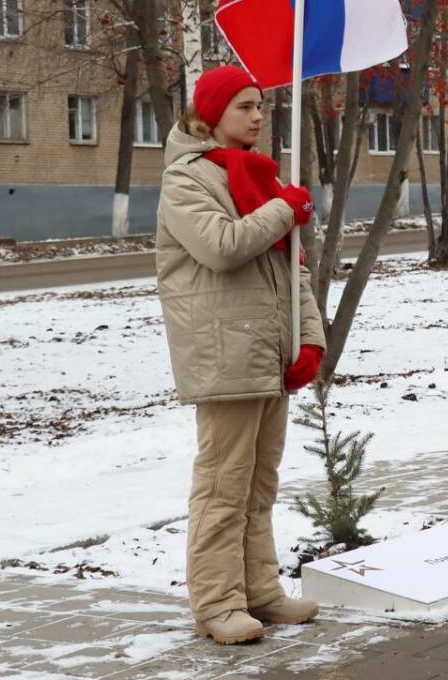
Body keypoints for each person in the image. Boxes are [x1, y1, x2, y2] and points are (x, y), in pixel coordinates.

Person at [155, 65, 326, 644]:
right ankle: (217, 603)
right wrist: (285, 210)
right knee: (222, 486)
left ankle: (260, 591)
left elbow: (292, 271)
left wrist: (309, 339)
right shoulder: (187, 179)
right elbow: (221, 246)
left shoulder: (258, 177)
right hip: (224, 352)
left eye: (260, 106)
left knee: (259, 485)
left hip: (267, 351)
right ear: (211, 114)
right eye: (244, 107)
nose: (258, 116)